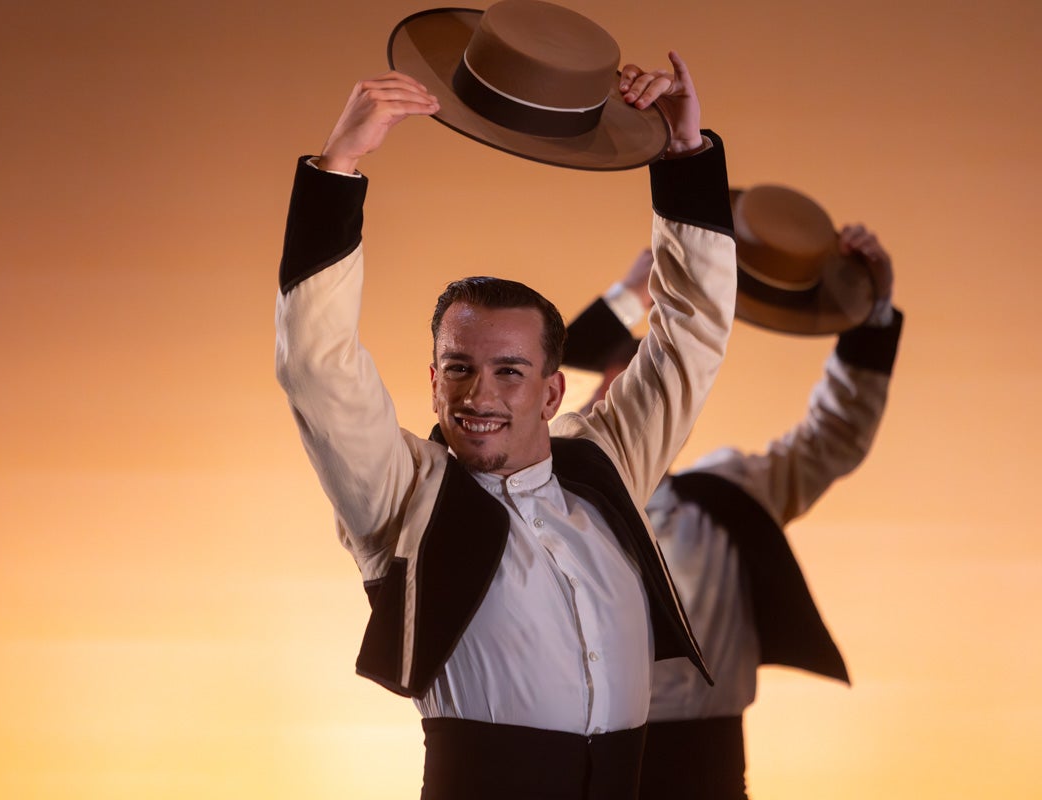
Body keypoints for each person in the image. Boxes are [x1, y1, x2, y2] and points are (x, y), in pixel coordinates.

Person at [275, 3, 737, 797]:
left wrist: (685, 156)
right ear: (432, 377)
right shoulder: (403, 495)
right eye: (456, 368)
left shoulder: (606, 464)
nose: (476, 394)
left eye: (509, 372)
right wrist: (336, 172)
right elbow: (318, 369)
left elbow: (692, 334)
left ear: (555, 389)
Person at [563, 213, 903, 799]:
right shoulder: (539, 499)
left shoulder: (726, 493)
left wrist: (871, 312)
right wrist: (629, 295)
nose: (614, 410)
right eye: (602, 394)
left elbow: (833, 437)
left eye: (632, 397)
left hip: (708, 768)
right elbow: (533, 390)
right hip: (576, 764)